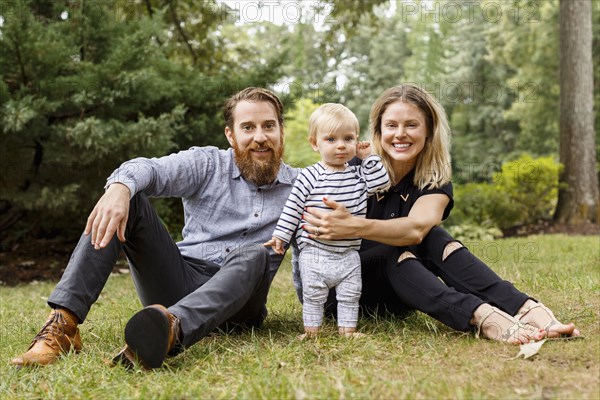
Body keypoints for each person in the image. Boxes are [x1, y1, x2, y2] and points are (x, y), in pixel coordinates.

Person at [11, 87, 299, 369]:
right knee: (130, 199)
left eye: (268, 126)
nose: (260, 137)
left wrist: (346, 225)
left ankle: (171, 329)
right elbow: (150, 169)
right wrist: (120, 188)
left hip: (241, 305)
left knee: (256, 254)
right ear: (231, 135)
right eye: (248, 127)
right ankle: (63, 326)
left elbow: (333, 236)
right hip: (179, 281)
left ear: (281, 132)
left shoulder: (303, 187)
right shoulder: (207, 163)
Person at [298, 84, 581, 344]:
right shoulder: (352, 170)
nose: (400, 134)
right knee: (390, 252)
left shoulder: (433, 180)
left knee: (433, 237)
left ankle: (525, 308)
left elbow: (415, 230)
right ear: (378, 131)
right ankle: (483, 317)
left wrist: (353, 226)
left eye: (412, 125)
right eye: (391, 125)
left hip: (401, 291)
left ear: (429, 131)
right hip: (338, 292)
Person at [264, 104, 390, 338]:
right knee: (313, 294)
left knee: (351, 294)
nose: (341, 145)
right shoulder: (308, 176)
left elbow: (381, 184)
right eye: (331, 139)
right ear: (315, 143)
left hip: (349, 254)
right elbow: (292, 207)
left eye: (348, 138)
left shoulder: (358, 175)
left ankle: (348, 330)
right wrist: (280, 236)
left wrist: (369, 157)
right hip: (315, 253)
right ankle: (312, 331)